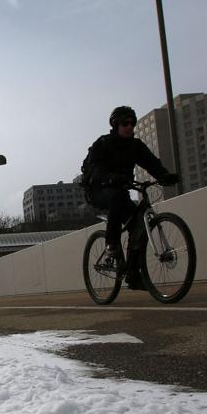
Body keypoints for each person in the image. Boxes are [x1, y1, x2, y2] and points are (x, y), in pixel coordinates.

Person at [81, 106, 179, 289]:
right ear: (116, 125)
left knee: (139, 225)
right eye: (125, 123)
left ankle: (133, 273)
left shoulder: (135, 146)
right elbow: (95, 168)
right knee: (116, 198)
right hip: (98, 189)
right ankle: (111, 244)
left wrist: (165, 176)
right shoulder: (103, 143)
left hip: (120, 189)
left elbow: (152, 163)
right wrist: (110, 177)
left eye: (132, 123)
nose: (129, 127)